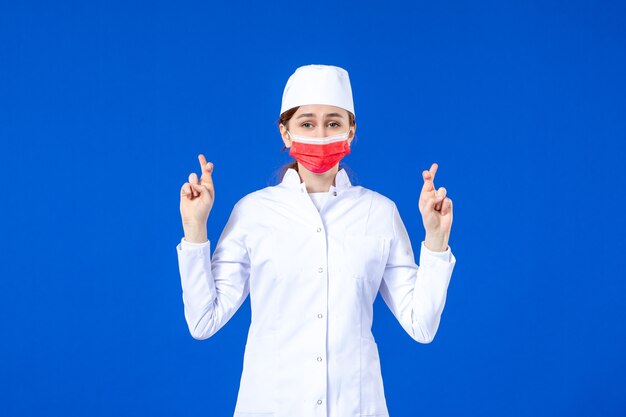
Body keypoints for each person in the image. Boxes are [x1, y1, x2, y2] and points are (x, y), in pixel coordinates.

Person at [176, 64, 456, 417]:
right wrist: (195, 228)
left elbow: (423, 325)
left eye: (333, 123)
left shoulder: (379, 213)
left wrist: (435, 239)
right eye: (307, 123)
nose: (320, 135)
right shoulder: (253, 213)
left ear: (351, 131)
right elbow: (203, 321)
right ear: (285, 132)